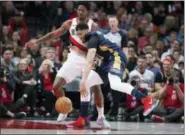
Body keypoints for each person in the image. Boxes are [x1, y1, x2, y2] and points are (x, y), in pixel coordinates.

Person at [25, 2, 109, 128]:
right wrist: (37, 41)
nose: (80, 12)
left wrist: (98, 58)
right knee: (56, 86)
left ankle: (101, 116)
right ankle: (65, 110)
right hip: (74, 58)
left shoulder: (93, 25)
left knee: (95, 88)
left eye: (83, 10)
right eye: (78, 10)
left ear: (88, 12)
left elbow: (100, 44)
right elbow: (54, 34)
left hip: (89, 58)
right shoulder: (70, 23)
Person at [75, 23, 159, 122]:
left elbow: (90, 60)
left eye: (81, 34)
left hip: (116, 57)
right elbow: (99, 55)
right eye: (78, 35)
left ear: (86, 31)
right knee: (86, 84)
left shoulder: (93, 37)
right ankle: (85, 118)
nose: (80, 37)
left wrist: (83, 79)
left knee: (114, 84)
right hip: (107, 61)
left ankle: (147, 100)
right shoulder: (94, 37)